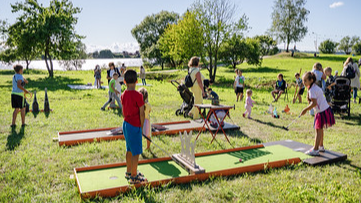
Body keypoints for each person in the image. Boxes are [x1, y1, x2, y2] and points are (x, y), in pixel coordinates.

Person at [300, 72, 335, 156]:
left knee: (318, 130)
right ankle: (321, 146)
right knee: (320, 129)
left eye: (305, 81)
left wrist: (305, 109)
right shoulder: (314, 87)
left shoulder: (312, 90)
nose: (303, 82)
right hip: (324, 110)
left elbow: (314, 103)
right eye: (303, 81)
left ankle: (315, 149)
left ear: (311, 80)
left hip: (322, 111)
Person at [121, 70, 147, 184]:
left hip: (126, 124)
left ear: (124, 81)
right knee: (136, 152)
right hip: (134, 126)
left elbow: (123, 111)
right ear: (137, 81)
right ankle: (134, 176)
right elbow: (142, 113)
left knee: (129, 149)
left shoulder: (123, 95)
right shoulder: (139, 95)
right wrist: (141, 127)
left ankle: (129, 171)